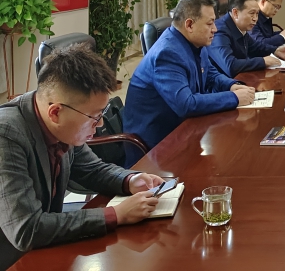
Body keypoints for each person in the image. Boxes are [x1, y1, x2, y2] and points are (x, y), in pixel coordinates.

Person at [0, 45, 166, 268]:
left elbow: (92, 169)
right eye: (94, 117)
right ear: (55, 112)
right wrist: (115, 214)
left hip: (45, 249)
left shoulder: (62, 125)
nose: (100, 125)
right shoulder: (6, 135)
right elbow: (26, 229)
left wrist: (130, 180)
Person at [124, 0, 255, 164]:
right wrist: (234, 98)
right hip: (156, 149)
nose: (215, 29)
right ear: (189, 24)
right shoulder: (167, 53)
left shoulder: (195, 42)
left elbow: (210, 74)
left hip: (183, 132)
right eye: (209, 23)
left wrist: (231, 85)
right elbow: (185, 104)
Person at [210, 0, 285, 78]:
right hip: (222, 83)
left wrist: (276, 50)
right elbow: (230, 65)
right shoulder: (219, 31)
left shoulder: (239, 27)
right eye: (252, 13)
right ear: (235, 13)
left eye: (257, 14)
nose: (255, 19)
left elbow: (255, 47)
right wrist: (263, 61)